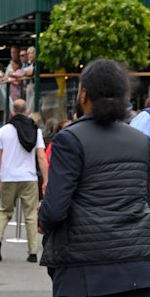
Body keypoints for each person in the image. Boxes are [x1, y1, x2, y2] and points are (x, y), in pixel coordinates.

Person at [39, 59, 150, 296]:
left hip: (85, 272)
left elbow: (55, 210)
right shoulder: (141, 141)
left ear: (83, 95)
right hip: (139, 270)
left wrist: (43, 217)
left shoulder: (69, 139)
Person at [0, 99, 48, 263]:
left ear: (12, 111)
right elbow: (42, 156)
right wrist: (46, 179)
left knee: (5, 211)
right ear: (27, 110)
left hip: (8, 177)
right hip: (28, 177)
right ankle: (32, 252)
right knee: (30, 214)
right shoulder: (35, 131)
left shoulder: (4, 131)